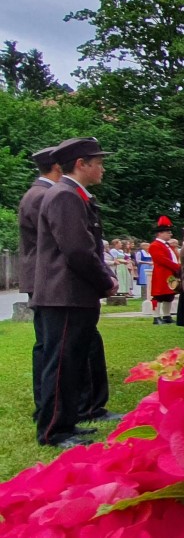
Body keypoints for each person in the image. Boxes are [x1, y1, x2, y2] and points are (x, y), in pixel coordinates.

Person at [31, 137, 120, 448]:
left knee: (73, 362)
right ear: (81, 164)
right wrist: (106, 281)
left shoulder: (73, 195)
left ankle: (67, 422)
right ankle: (53, 431)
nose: (102, 169)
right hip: (65, 294)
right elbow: (78, 251)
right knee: (61, 365)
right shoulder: (65, 196)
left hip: (72, 294)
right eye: (98, 163)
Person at [19, 146, 63, 417]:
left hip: (40, 277)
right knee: (49, 345)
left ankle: (46, 401)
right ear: (58, 166)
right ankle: (47, 404)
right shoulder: (43, 196)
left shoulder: (38, 193)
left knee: (46, 343)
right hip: (46, 277)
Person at [148, 216, 180, 325]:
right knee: (158, 296)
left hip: (170, 273)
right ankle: (156, 316)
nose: (170, 234)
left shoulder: (167, 245)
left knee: (169, 295)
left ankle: (167, 315)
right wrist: (177, 267)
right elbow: (162, 260)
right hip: (161, 274)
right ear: (160, 233)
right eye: (167, 232)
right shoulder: (155, 245)